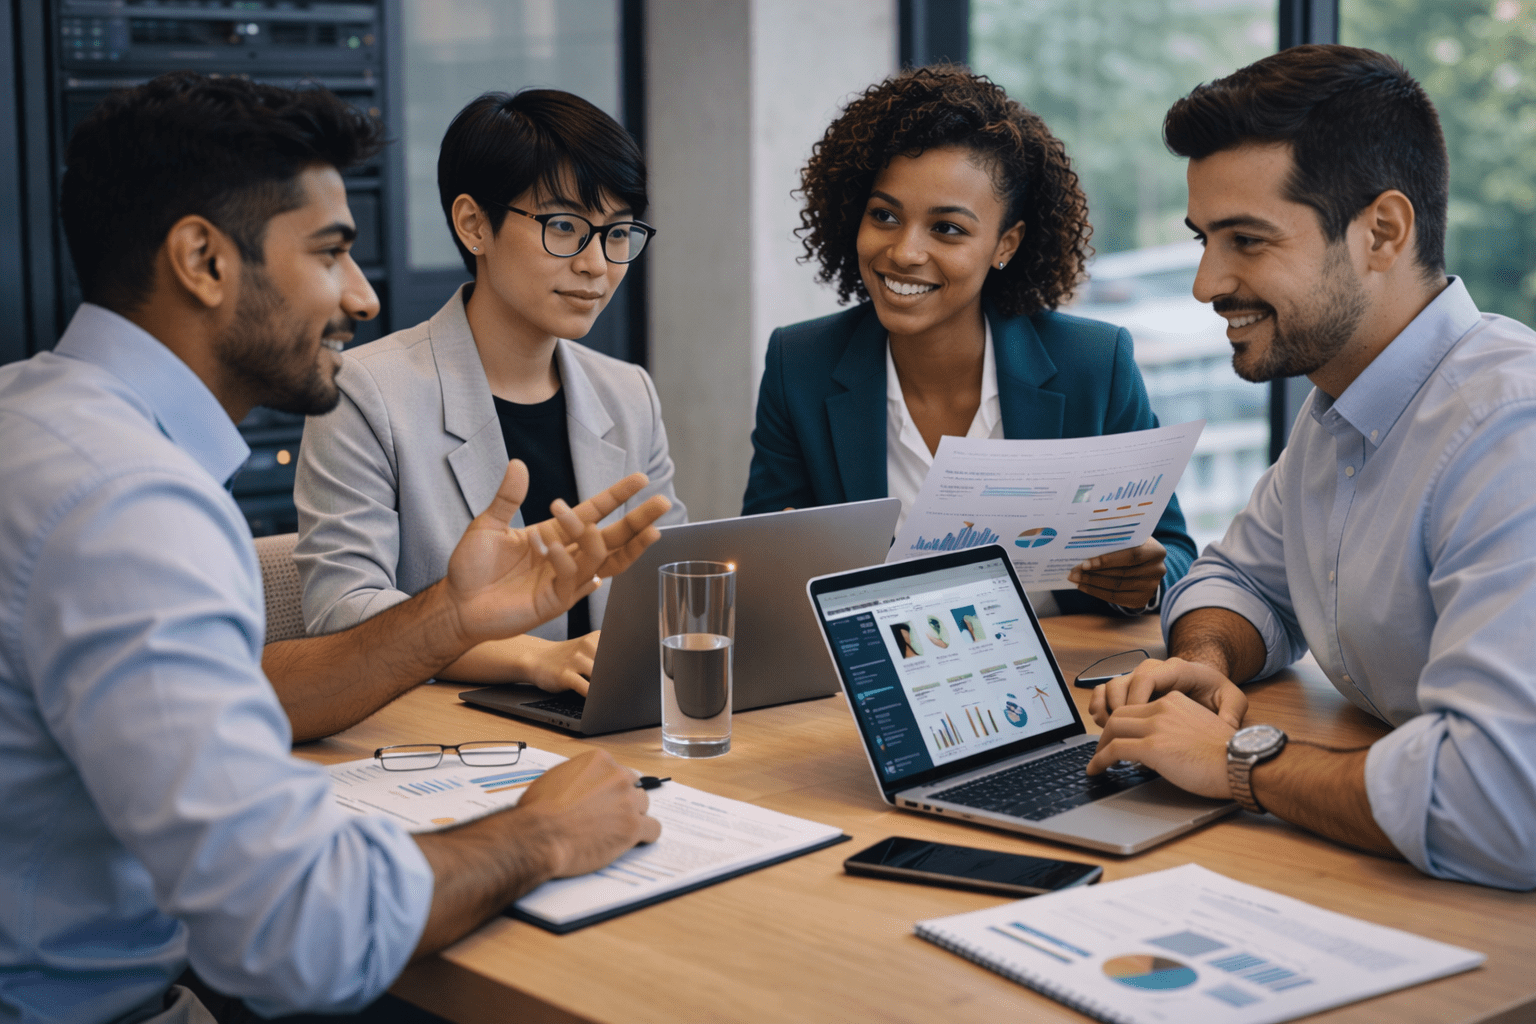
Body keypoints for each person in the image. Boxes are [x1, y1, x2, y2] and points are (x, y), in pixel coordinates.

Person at [0, 72, 672, 1023]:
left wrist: (454, 614)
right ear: (202, 259)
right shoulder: (130, 507)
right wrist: (538, 836)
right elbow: (299, 933)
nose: (361, 295)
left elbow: (242, 702)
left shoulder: (32, 414)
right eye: (330, 253)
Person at [1086, 45, 1536, 891]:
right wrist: (1208, 660)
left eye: (1246, 241)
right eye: (1203, 240)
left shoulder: (1510, 430)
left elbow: (1500, 804)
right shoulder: (1342, 404)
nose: (1205, 282)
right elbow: (1242, 581)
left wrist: (1239, 761)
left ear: (1382, 232)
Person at [742, 65, 1197, 616]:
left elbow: (1174, 554)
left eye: (947, 229)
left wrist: (1143, 577)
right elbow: (761, 568)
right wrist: (780, 565)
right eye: (884, 215)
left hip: (1062, 672)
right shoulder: (802, 365)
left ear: (1005, 243)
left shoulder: (1094, 364)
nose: (905, 252)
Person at [295, 89, 686, 697]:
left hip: (615, 723)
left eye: (617, 234)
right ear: (474, 224)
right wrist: (532, 657)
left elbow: (671, 585)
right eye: (565, 227)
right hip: (449, 738)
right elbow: (341, 612)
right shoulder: (367, 393)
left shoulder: (627, 392)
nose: (597, 265)